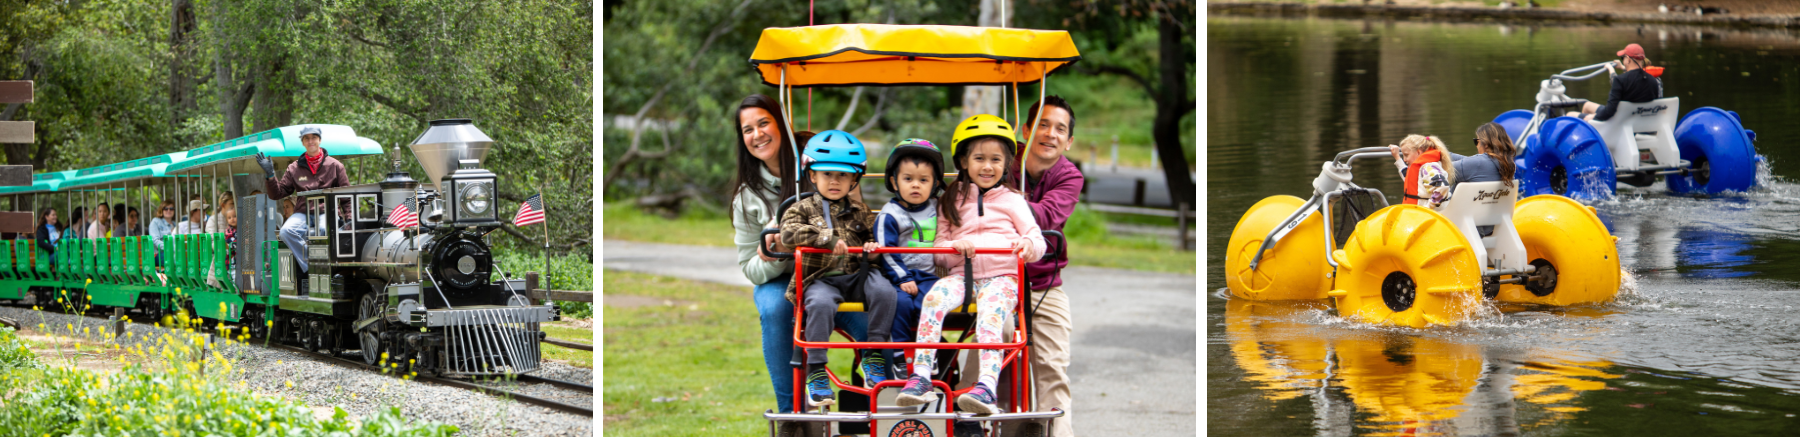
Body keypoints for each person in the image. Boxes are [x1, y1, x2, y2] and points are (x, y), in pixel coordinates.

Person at [896, 114, 1047, 415]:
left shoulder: (1014, 200)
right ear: (964, 162)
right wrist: (954, 249)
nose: (988, 166)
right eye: (979, 158)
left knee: (991, 316)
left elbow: (1037, 239)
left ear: (1006, 165)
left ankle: (986, 386)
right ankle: (921, 376)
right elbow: (938, 250)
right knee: (933, 300)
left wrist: (1027, 246)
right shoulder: (950, 199)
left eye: (996, 159)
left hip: (1002, 277)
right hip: (961, 276)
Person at [729, 95, 869, 414]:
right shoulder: (746, 197)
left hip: (831, 274)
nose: (757, 134)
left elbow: (856, 219)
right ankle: (793, 412)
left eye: (764, 123)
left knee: (871, 316)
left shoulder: (820, 159)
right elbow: (750, 269)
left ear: (781, 124)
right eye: (747, 129)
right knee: (777, 307)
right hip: (784, 280)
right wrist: (773, 252)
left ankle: (880, 397)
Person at [779, 129, 898, 409]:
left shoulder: (860, 210)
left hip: (858, 276)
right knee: (819, 304)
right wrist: (826, 239)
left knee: (884, 291)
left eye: (843, 175)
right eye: (827, 174)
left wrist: (872, 249)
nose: (835, 181)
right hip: (820, 279)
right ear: (812, 175)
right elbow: (788, 234)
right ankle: (817, 370)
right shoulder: (802, 209)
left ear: (854, 178)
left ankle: (873, 353)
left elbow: (874, 239)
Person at [1019, 96, 1085, 437]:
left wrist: (1006, 202)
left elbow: (1047, 216)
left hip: (1043, 282)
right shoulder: (1001, 161)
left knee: (1053, 366)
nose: (1050, 134)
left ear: (1069, 141)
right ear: (1027, 130)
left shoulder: (1070, 176)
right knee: (994, 356)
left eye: (1060, 129)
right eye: (1042, 124)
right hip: (996, 278)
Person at [874, 138, 945, 375]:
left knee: (934, 300)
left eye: (923, 180)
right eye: (908, 179)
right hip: (897, 276)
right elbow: (886, 251)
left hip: (927, 275)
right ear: (894, 182)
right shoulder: (889, 214)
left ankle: (929, 351)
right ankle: (900, 355)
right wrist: (903, 278)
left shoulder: (939, 207)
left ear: (934, 183)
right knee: (900, 303)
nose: (916, 185)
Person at [257, 126, 349, 281]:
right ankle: (311, 264)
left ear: (319, 140)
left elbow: (347, 197)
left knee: (321, 230)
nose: (310, 141)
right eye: (306, 138)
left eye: (314, 137)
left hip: (327, 211)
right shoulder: (294, 168)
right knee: (286, 231)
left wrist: (350, 219)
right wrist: (270, 175)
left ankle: (332, 267)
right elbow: (277, 193)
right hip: (303, 213)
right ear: (303, 142)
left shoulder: (335, 166)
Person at [1570, 43, 1662, 122]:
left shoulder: (1620, 80)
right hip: (1638, 121)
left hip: (1618, 123)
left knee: (1570, 114)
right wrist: (1622, 67)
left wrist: (1593, 117)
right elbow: (1634, 75)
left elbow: (1609, 112)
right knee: (1587, 105)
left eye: (1623, 58)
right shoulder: (1653, 80)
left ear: (1628, 59)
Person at [1389, 135, 1456, 209]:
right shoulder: (1422, 169)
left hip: (1429, 215)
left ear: (1418, 152)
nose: (1404, 159)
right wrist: (1397, 157)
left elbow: (1443, 187)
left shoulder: (1428, 168)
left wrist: (1428, 208)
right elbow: (1407, 177)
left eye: (1406, 155)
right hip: (1419, 214)